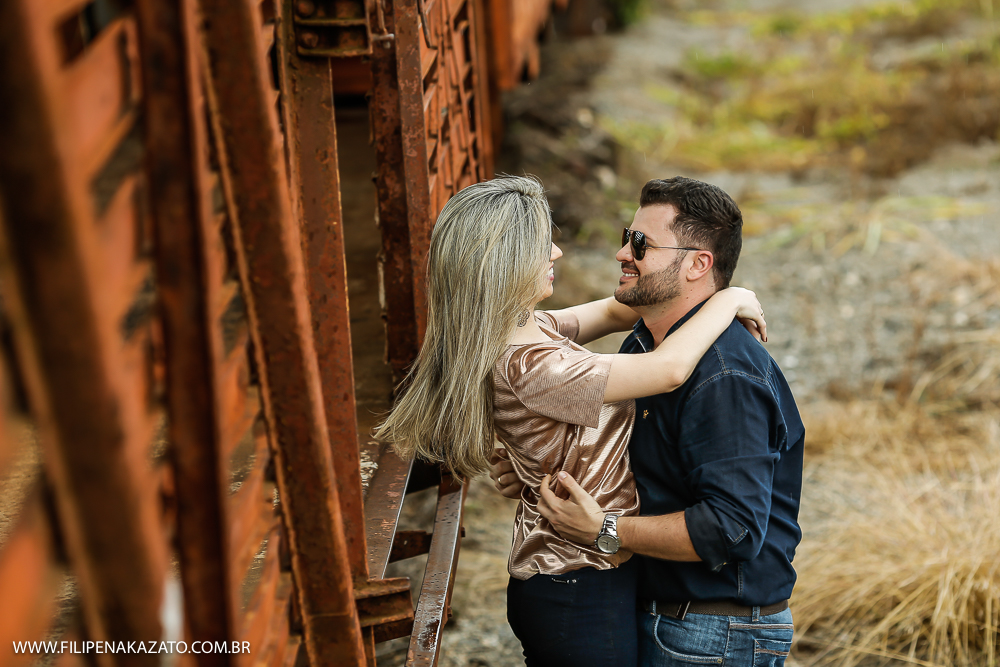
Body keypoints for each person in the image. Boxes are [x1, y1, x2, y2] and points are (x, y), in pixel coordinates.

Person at [375, 175, 767, 667]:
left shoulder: (527, 328)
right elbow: (666, 371)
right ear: (507, 265)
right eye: (544, 246)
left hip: (581, 573)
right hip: (574, 583)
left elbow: (614, 311)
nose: (558, 253)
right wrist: (729, 298)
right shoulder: (533, 366)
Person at [493, 176, 805, 667]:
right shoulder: (644, 343)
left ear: (698, 264)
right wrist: (540, 460)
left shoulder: (723, 375)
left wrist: (606, 530)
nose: (621, 253)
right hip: (659, 610)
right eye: (625, 235)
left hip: (713, 630)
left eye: (639, 243)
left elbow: (731, 530)